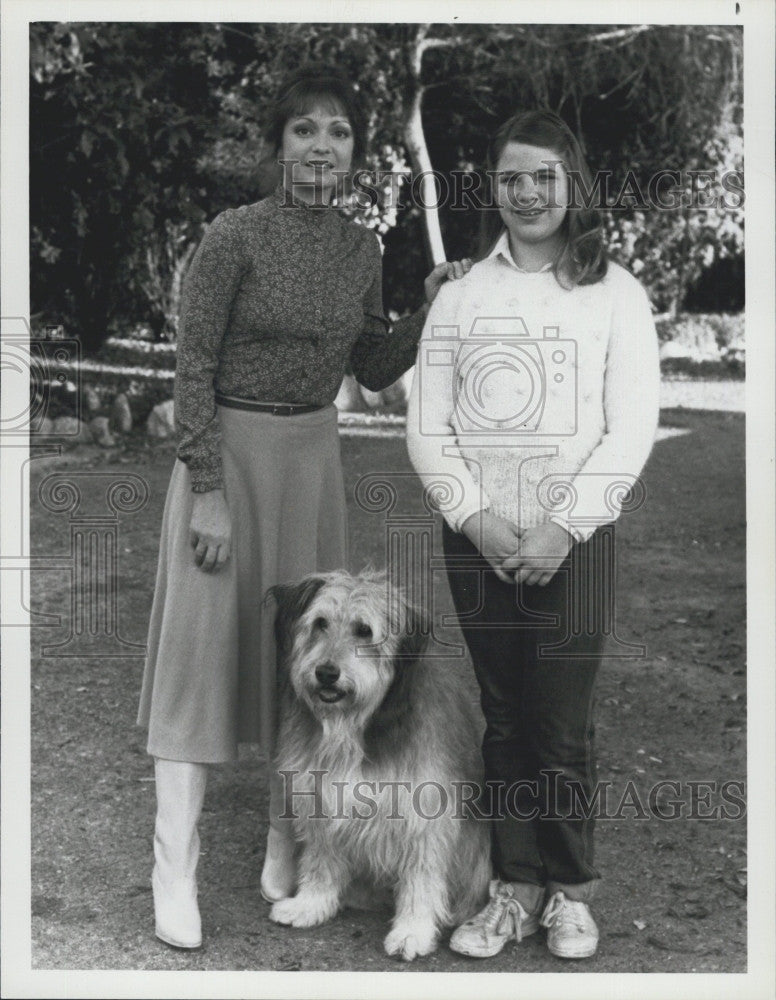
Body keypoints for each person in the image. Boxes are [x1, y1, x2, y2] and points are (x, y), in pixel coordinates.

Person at [137, 62, 470, 950]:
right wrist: (205, 487)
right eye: (305, 130)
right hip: (231, 465)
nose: (323, 145)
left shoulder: (360, 249)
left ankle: (291, 847)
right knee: (200, 664)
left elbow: (367, 361)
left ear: (357, 153)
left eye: (340, 132)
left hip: (312, 460)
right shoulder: (234, 234)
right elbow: (192, 363)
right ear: (279, 144)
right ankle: (175, 870)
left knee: (314, 664)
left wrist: (425, 312)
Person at [406, 109, 660, 960]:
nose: (527, 193)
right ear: (495, 188)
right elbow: (427, 427)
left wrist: (562, 527)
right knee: (506, 717)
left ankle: (571, 893)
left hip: (573, 542)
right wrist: (475, 517)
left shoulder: (615, 292)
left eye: (544, 176)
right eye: (511, 178)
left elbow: (630, 428)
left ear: (572, 183)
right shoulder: (463, 296)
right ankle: (512, 888)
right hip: (477, 538)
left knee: (559, 722)